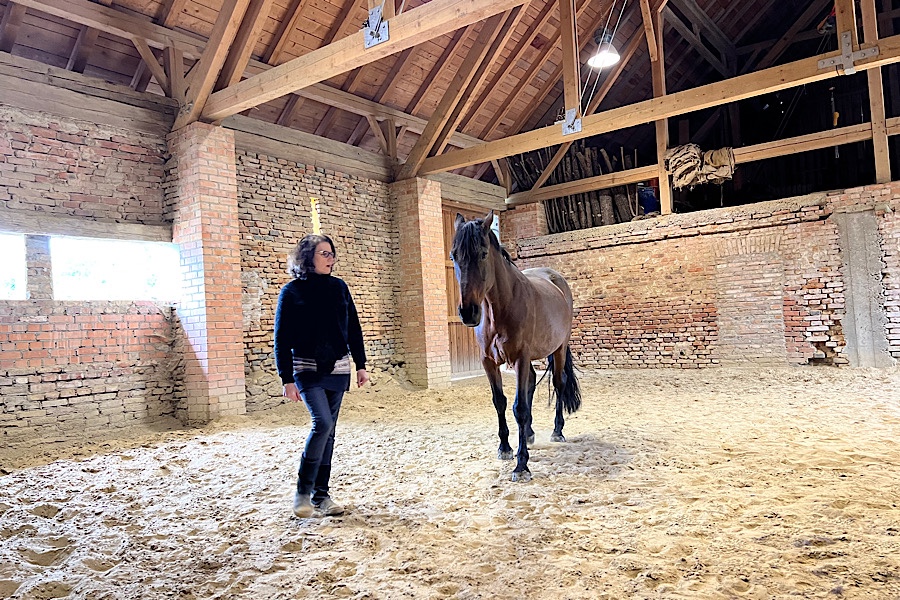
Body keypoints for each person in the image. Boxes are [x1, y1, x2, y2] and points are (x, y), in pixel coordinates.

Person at [274, 234, 369, 518]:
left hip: (338, 368)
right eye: (324, 254)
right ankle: (302, 494)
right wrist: (286, 378)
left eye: (331, 254)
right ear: (308, 258)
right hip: (305, 367)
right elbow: (281, 337)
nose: (331, 259)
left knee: (329, 434)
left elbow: (354, 327)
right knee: (322, 423)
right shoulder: (291, 292)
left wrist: (361, 364)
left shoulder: (340, 288)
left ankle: (321, 495)